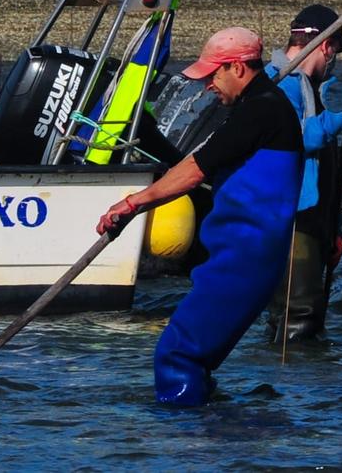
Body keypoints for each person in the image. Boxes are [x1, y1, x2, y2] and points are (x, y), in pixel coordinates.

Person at [97, 26, 302, 406]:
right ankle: (222, 435)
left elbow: (195, 170)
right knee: (194, 359)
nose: (208, 84)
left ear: (238, 68)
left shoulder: (263, 111)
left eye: (214, 74)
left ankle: (185, 445)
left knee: (177, 356)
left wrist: (133, 204)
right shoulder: (255, 108)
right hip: (240, 257)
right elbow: (194, 164)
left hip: (246, 258)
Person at [263, 3, 342, 342]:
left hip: (310, 219)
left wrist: (330, 230)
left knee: (289, 312)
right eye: (336, 50)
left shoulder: (306, 88)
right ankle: (303, 390)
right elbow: (298, 137)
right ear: (326, 46)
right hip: (292, 218)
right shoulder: (281, 84)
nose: (335, 59)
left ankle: (284, 378)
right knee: (299, 314)